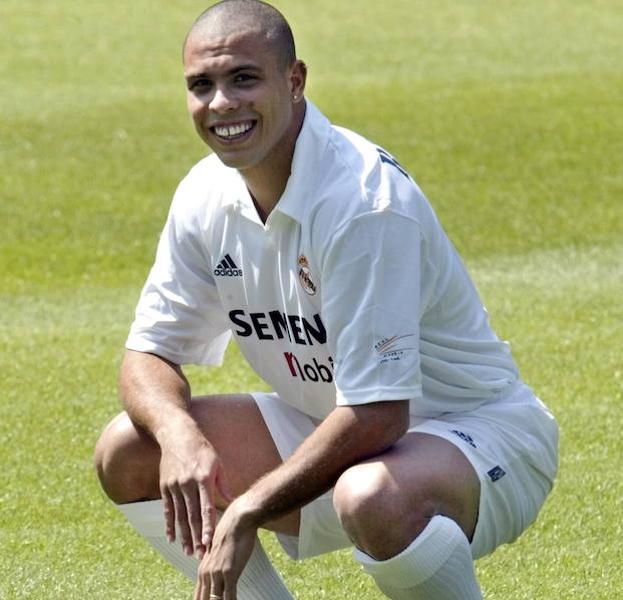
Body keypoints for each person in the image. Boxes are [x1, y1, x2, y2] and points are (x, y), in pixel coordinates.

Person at [94, 1, 559, 598]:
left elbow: (379, 414)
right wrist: (180, 435)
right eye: (201, 85)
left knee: (372, 496)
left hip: (477, 436)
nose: (221, 105)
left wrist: (248, 507)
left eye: (243, 79)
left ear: (295, 81)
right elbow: (147, 356)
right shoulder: (204, 193)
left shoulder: (363, 203)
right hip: (333, 431)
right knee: (131, 448)